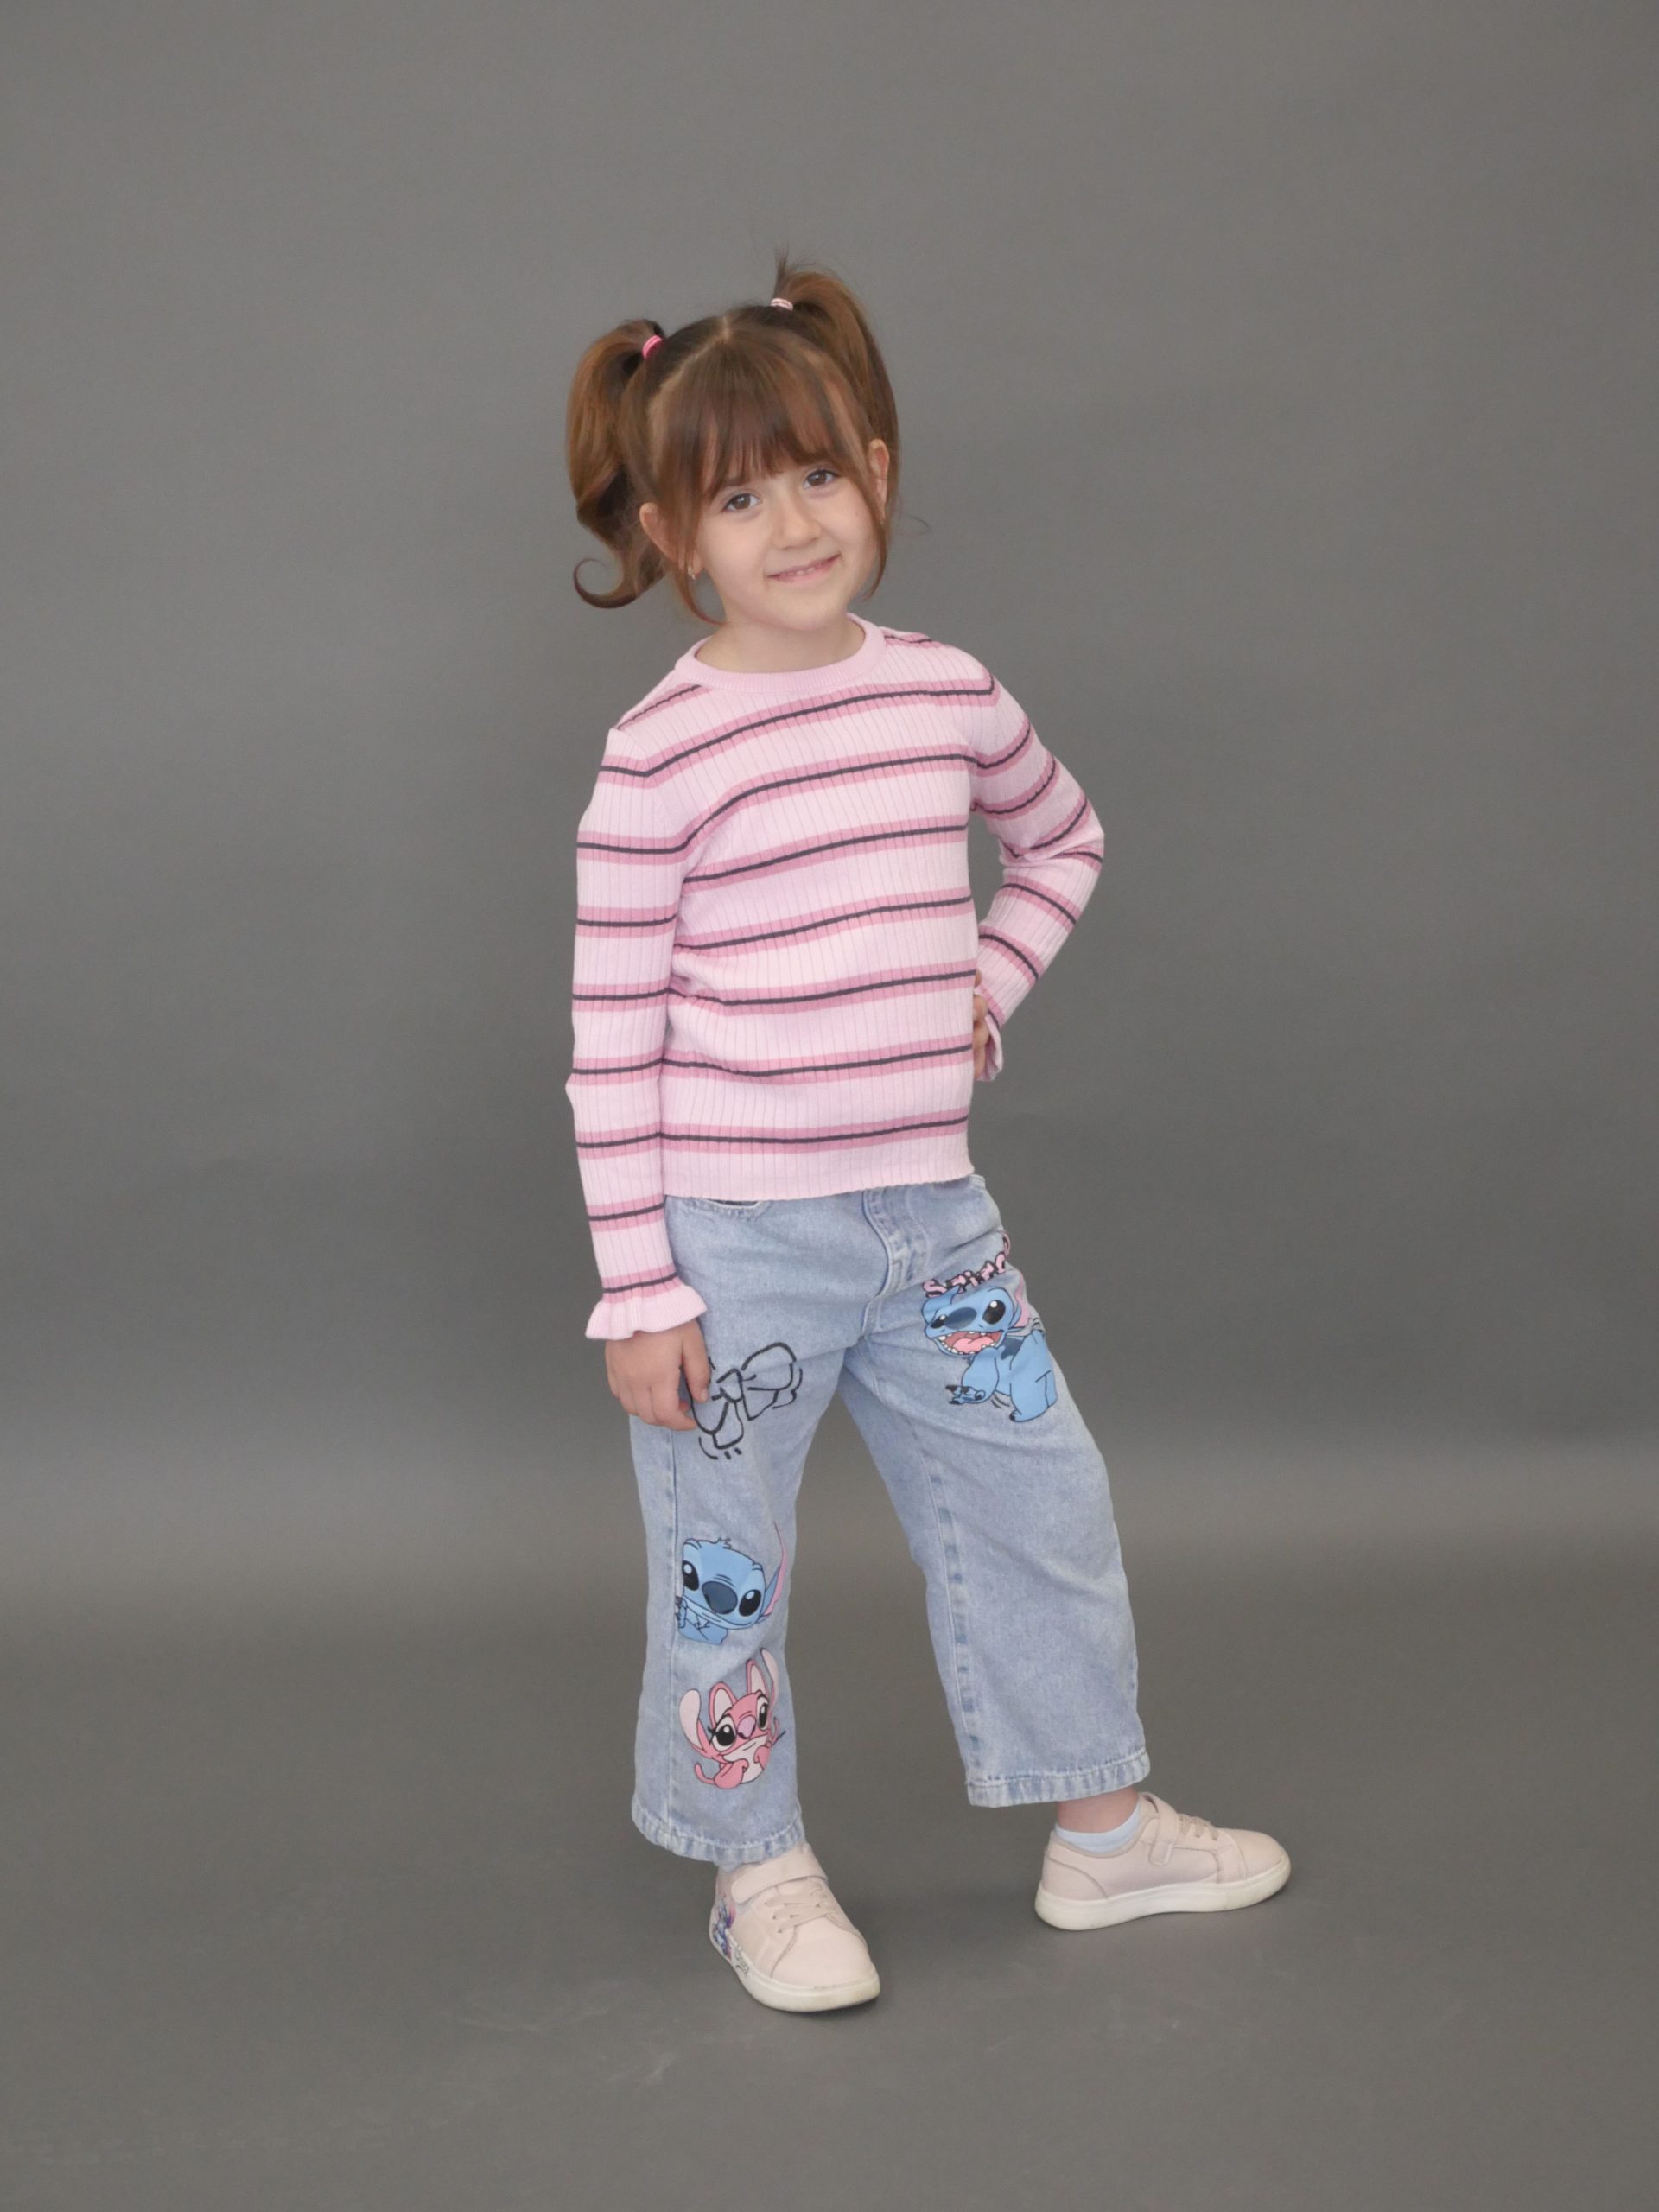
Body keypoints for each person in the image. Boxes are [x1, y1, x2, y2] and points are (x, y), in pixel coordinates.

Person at [561, 252, 1290, 2013]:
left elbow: (1064, 840)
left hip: (934, 1225)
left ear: (878, 473)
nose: (794, 523)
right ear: (672, 534)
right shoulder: (660, 757)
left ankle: (1101, 1827)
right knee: (727, 1569)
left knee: (1045, 1505)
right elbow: (606, 1042)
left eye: (821, 474)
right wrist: (640, 1286)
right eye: (742, 498)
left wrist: (983, 982)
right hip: (737, 1245)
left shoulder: (946, 689)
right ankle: (757, 1867)